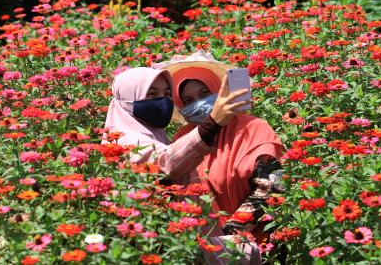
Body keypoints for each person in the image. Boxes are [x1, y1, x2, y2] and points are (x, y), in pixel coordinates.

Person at [156, 51, 285, 242]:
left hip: (253, 244)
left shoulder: (254, 128)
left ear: (219, 91)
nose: (198, 103)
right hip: (202, 246)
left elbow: (269, 188)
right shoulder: (185, 136)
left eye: (204, 94)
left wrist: (227, 236)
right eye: (188, 100)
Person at [104, 67, 249, 184]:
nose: (162, 101)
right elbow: (164, 163)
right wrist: (212, 124)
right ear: (128, 100)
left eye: (167, 93)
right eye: (152, 94)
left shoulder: (158, 137)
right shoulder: (120, 141)